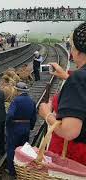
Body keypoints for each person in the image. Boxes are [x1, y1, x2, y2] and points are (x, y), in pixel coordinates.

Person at [39, 22, 86, 166]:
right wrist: (67, 76)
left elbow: (69, 131)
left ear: (78, 51)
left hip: (77, 161)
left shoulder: (79, 79)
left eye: (71, 48)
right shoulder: (78, 80)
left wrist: (47, 114)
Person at [6, 82, 37, 176]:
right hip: (26, 127)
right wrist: (30, 126)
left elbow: (10, 115)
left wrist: (8, 125)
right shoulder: (32, 101)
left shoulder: (16, 101)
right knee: (23, 150)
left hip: (15, 128)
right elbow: (34, 117)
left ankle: (12, 170)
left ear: (18, 90)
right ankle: (21, 170)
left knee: (12, 148)